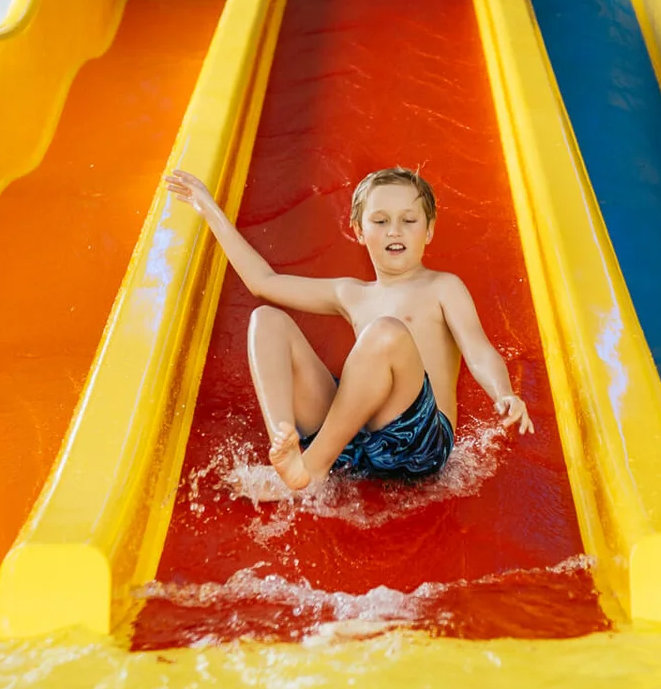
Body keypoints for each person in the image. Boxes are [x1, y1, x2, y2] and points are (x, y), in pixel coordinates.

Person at [163, 165, 534, 491]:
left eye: (409, 220)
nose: (395, 231)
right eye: (380, 220)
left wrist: (503, 392)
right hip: (355, 441)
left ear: (429, 231)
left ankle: (312, 469)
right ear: (358, 230)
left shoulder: (442, 287)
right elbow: (263, 281)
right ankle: (285, 443)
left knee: (385, 332)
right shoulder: (351, 294)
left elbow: (478, 349)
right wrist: (208, 209)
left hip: (419, 442)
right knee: (267, 320)